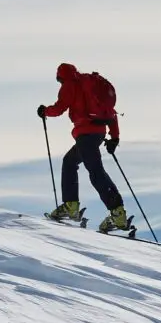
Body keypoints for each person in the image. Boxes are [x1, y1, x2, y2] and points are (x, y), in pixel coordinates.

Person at [37, 63, 132, 233]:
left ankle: (117, 213)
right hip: (98, 133)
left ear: (61, 77)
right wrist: (114, 137)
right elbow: (110, 112)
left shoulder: (70, 85)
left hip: (86, 135)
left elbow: (59, 108)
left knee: (96, 172)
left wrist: (45, 111)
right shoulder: (90, 84)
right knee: (70, 162)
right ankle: (71, 205)